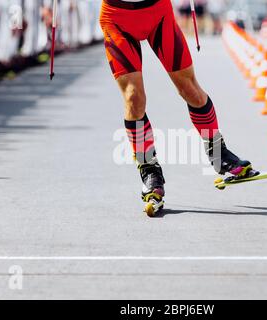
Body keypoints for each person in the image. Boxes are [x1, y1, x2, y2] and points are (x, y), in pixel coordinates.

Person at [99, 0, 258, 210]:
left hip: (157, 13)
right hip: (116, 16)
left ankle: (219, 154)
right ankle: (149, 170)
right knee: (133, 97)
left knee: (190, 90)